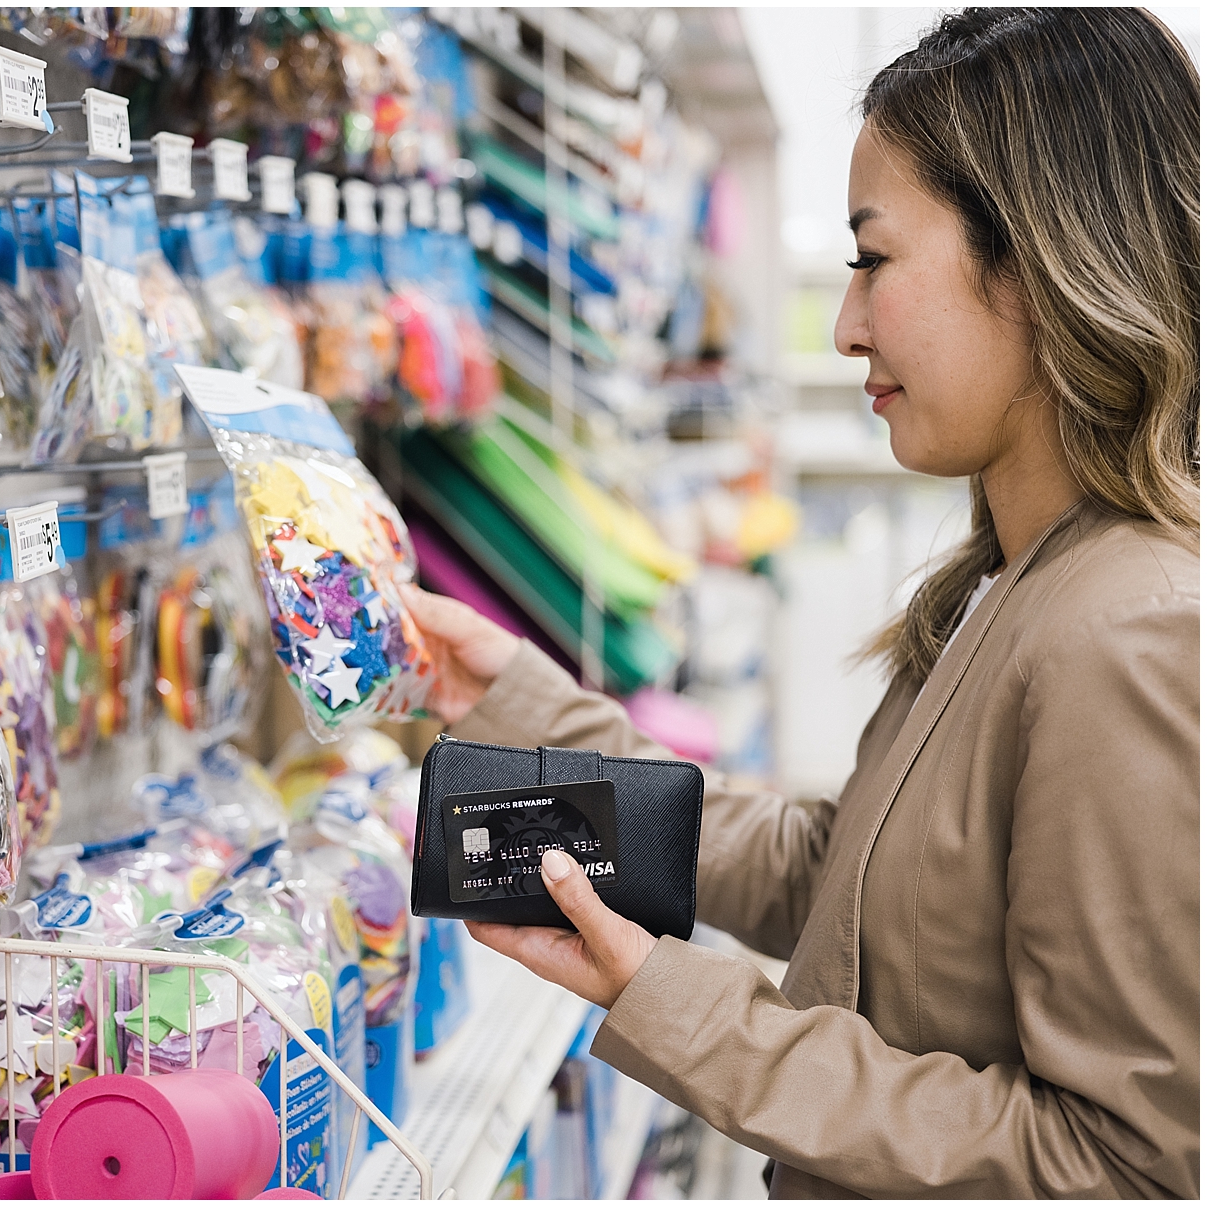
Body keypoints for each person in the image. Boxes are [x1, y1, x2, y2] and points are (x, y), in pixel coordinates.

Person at [403, 8, 1199, 1198]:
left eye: (872, 259)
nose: (843, 324)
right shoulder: (1016, 581)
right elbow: (842, 877)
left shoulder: (1127, 632)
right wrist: (519, 708)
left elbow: (1121, 1164)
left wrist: (677, 1004)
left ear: (1035, 260)